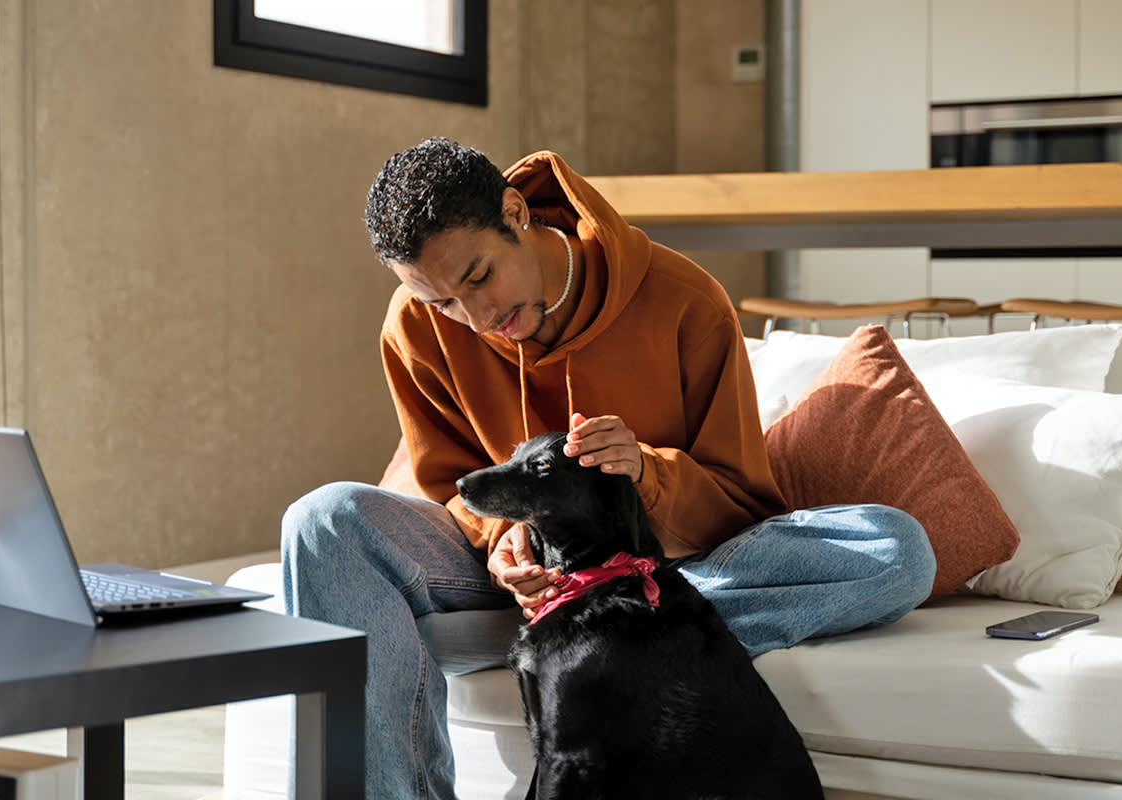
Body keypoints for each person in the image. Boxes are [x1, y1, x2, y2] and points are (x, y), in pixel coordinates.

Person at [281, 137, 935, 799]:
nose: (475, 318)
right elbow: (446, 486)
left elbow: (740, 507)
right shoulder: (415, 327)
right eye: (444, 302)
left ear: (515, 212)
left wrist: (647, 475)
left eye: (478, 278)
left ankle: (597, 639)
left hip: (653, 578)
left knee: (893, 548)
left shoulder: (686, 301)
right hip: (516, 588)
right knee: (322, 522)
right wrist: (504, 536)